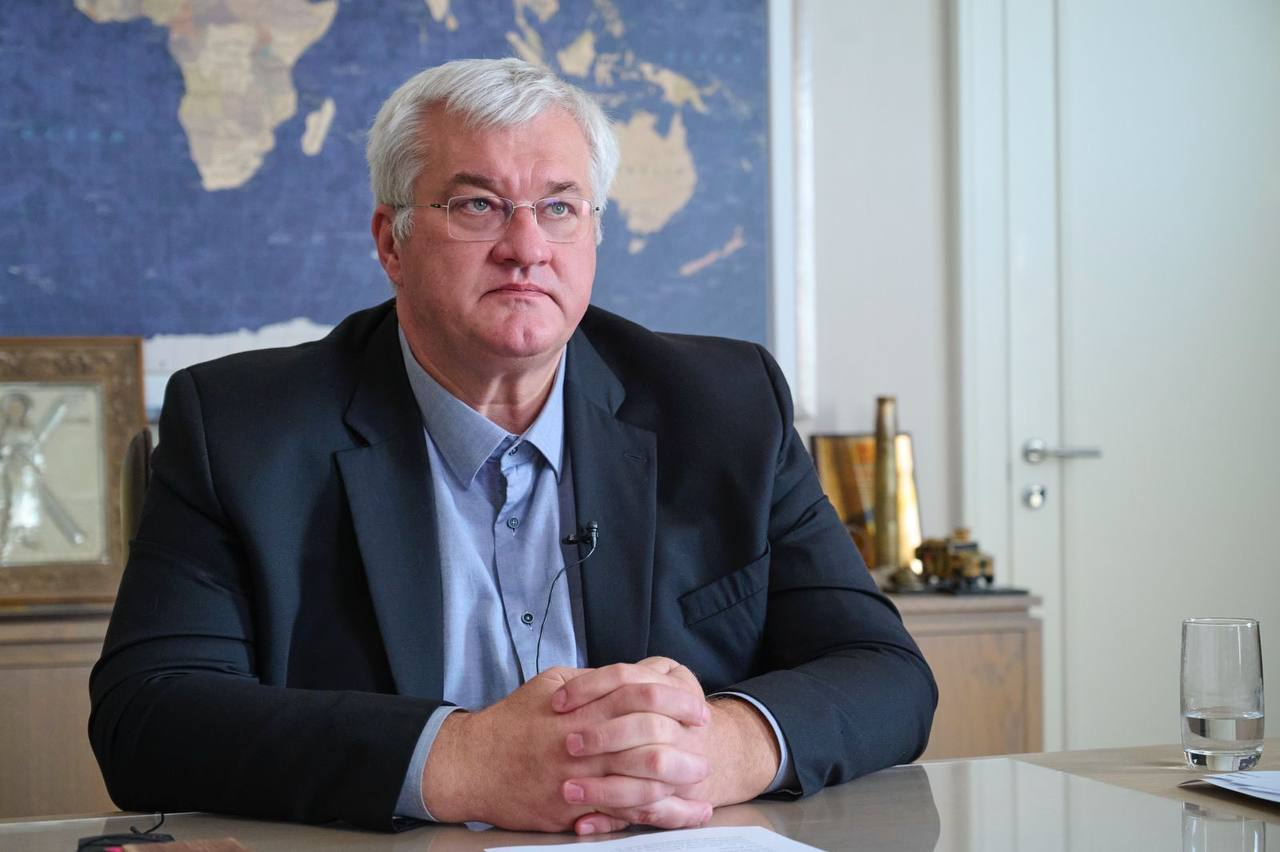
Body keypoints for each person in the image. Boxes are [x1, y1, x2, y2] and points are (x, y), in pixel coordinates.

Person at [89, 57, 936, 835]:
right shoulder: (242, 429)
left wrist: (718, 746)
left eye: (559, 207)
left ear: (593, 233)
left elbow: (885, 673)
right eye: (477, 205)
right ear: (391, 241)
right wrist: (464, 762)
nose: (526, 249)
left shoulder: (726, 407)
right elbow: (147, 718)